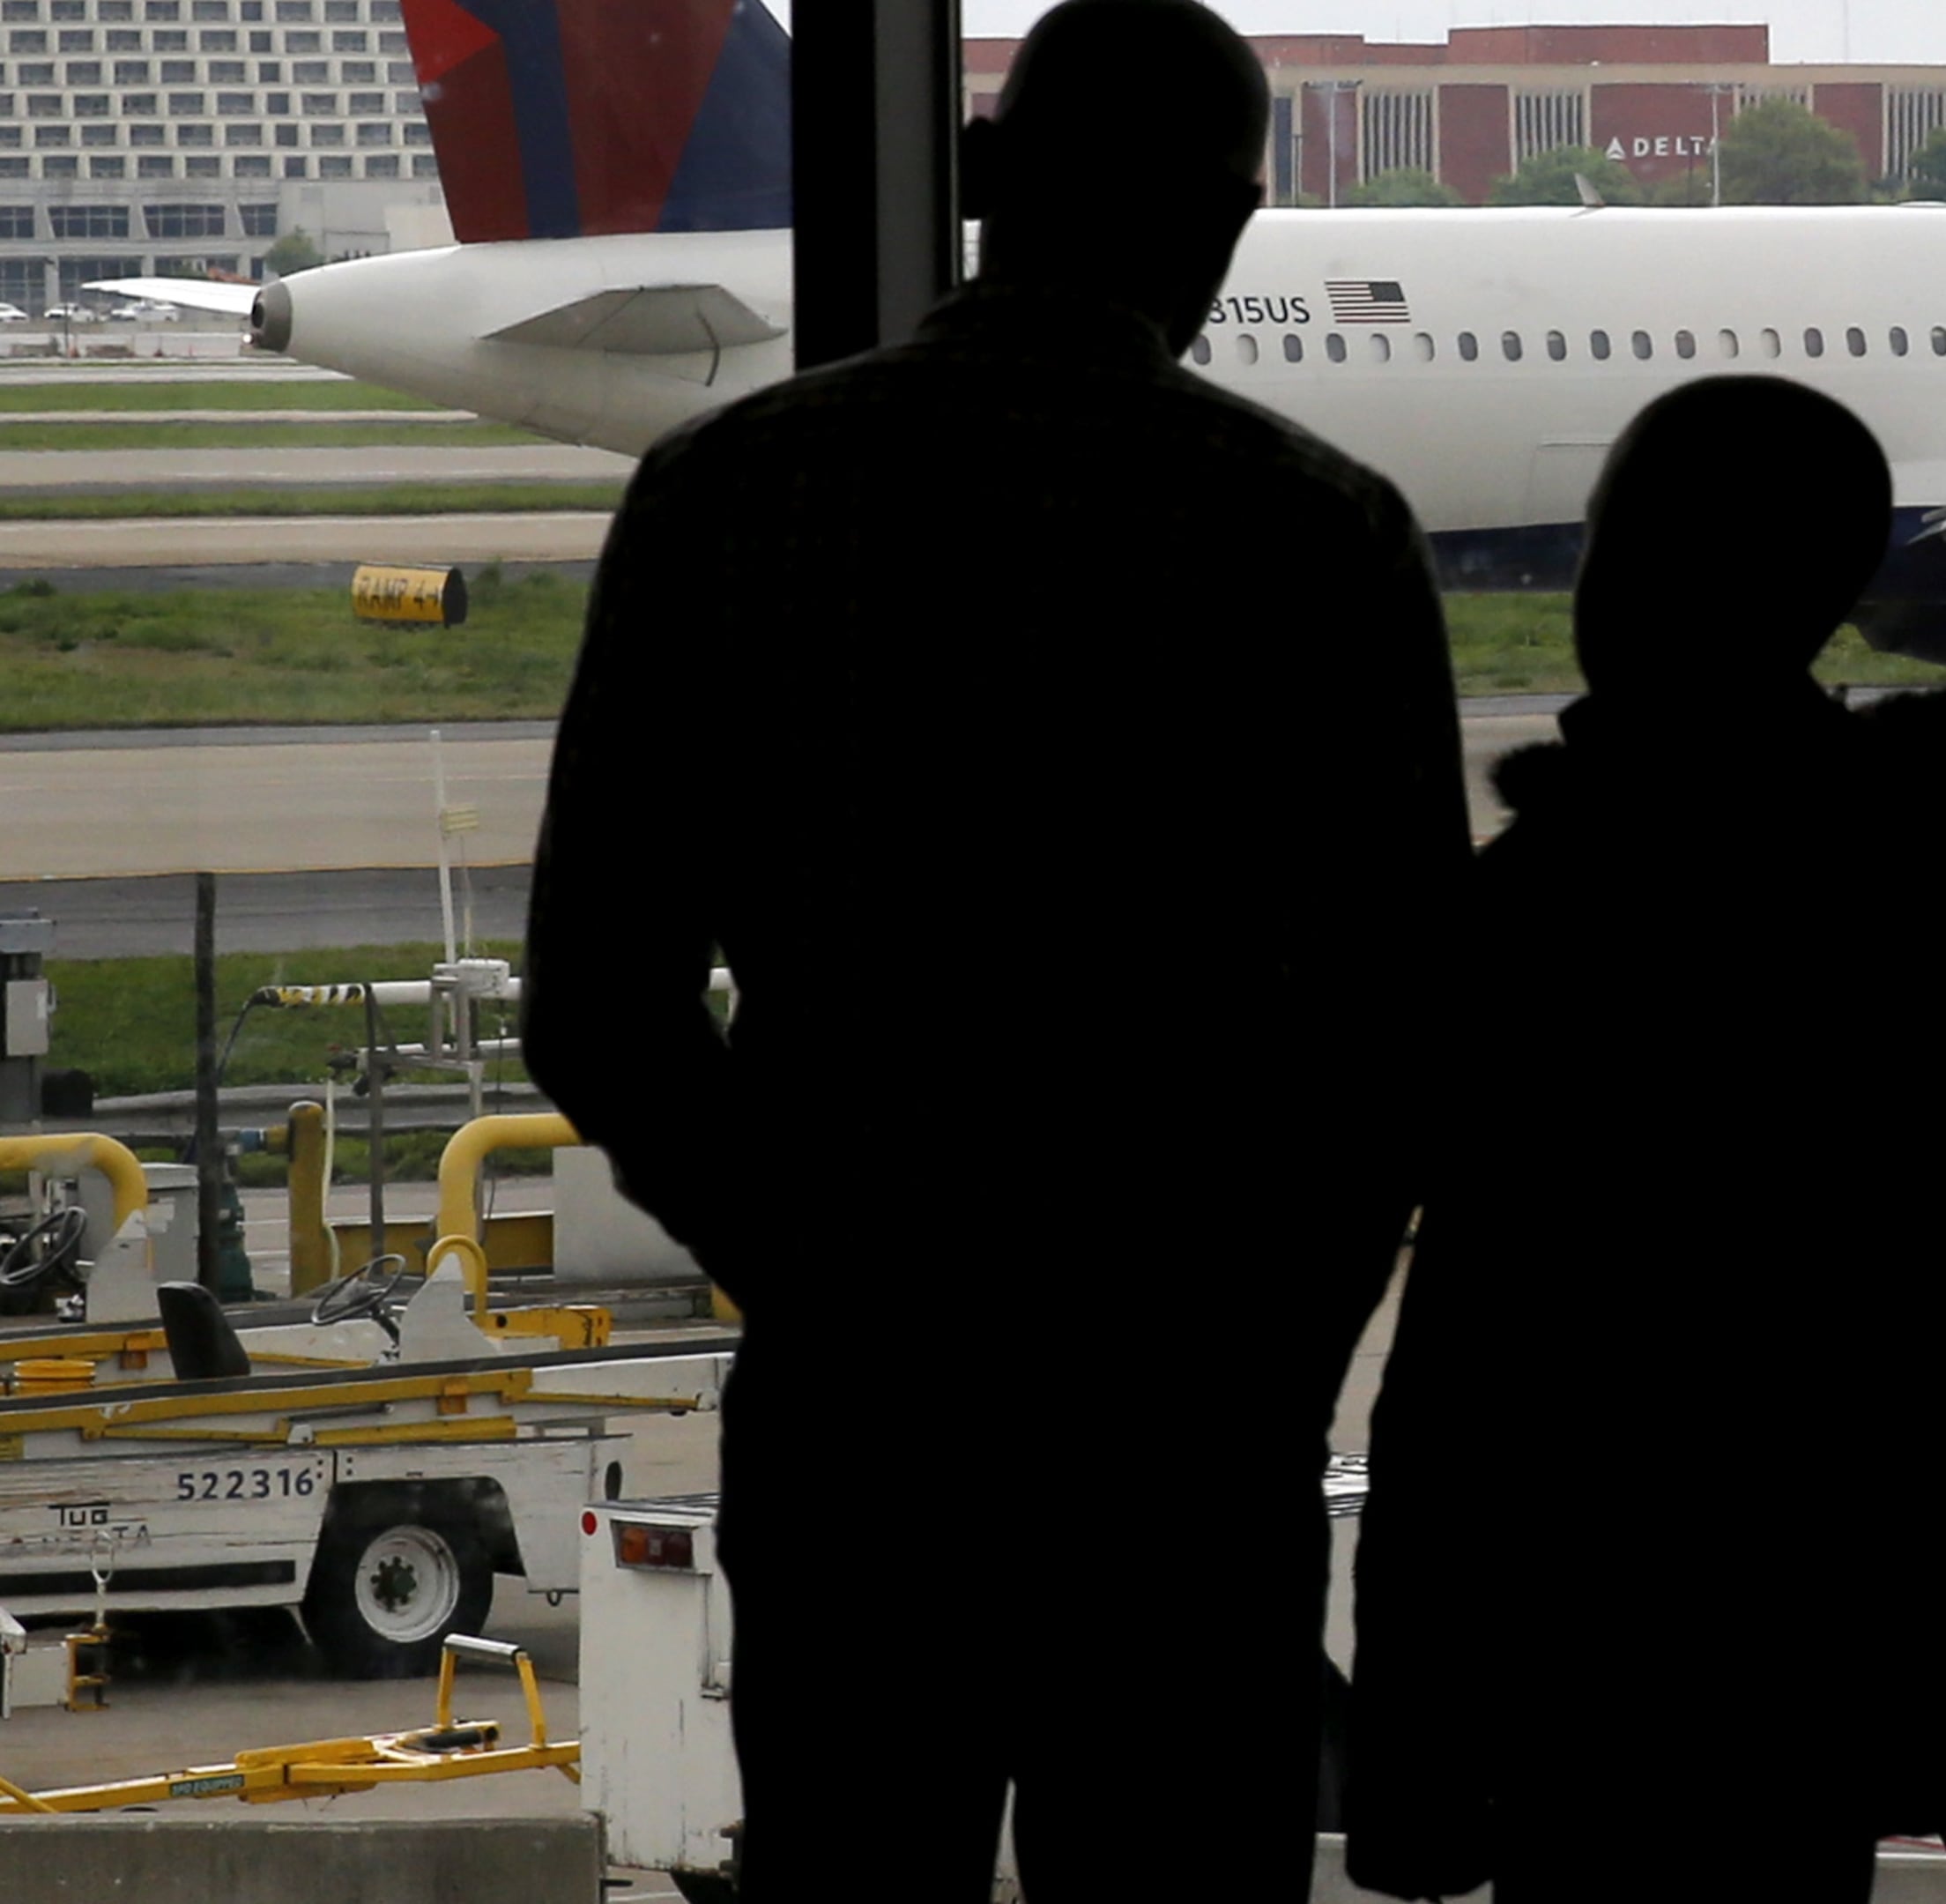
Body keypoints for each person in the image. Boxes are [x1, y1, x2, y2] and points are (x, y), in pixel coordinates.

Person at [521, 4, 1468, 1894]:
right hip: (1186, 1442)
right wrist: (1265, 1350)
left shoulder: (729, 498)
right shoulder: (1315, 536)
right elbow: (1407, 1043)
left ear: (976, 190)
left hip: (869, 1431)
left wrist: (817, 1259)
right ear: (1220, 227)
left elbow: (596, 1004)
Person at [1346, 378, 1946, 1904]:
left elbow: (1467, 1368)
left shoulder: (1555, 904)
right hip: (1827, 1647)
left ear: (1664, 571)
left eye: (1611, 534)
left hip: (1575, 1650)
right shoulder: (1932, 894)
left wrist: (1411, 1726)